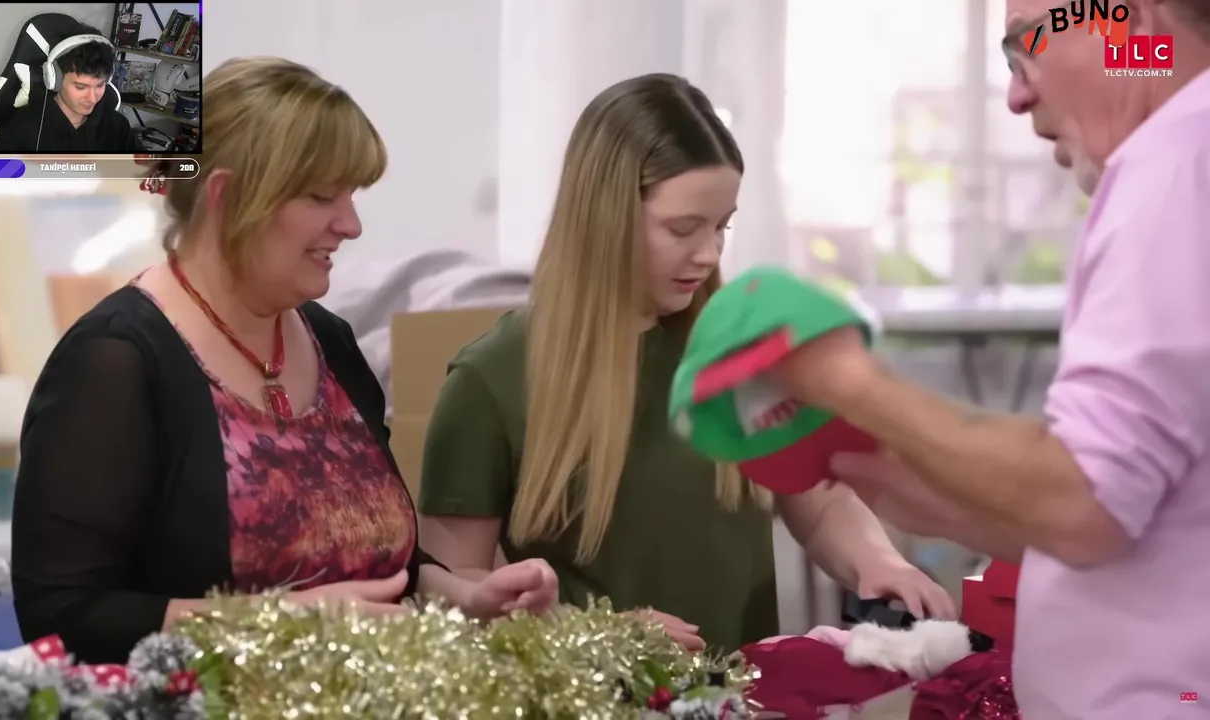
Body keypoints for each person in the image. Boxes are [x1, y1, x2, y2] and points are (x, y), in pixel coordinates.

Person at [11, 57, 557, 665]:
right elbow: (62, 614)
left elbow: (378, 566)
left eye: (351, 196)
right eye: (323, 197)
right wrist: (280, 622)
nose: (351, 224)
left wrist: (467, 596)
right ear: (226, 197)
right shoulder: (115, 362)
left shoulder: (330, 341)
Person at [416, 73, 955, 656]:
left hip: (748, 691)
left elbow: (818, 499)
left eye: (722, 227)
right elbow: (454, 591)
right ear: (604, 217)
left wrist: (877, 562)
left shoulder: (744, 352)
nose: (708, 253)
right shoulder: (488, 381)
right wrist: (594, 636)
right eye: (682, 229)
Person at [773, 1, 1210, 716]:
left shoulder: (1173, 167)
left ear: (1133, 29)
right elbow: (1128, 512)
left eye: (1025, 49)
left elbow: (1085, 502)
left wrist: (846, 378)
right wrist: (884, 472)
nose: (1015, 95)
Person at [0, 25, 133, 153]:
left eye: (100, 85)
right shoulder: (23, 129)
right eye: (80, 87)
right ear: (54, 79)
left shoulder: (117, 126)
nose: (92, 98)